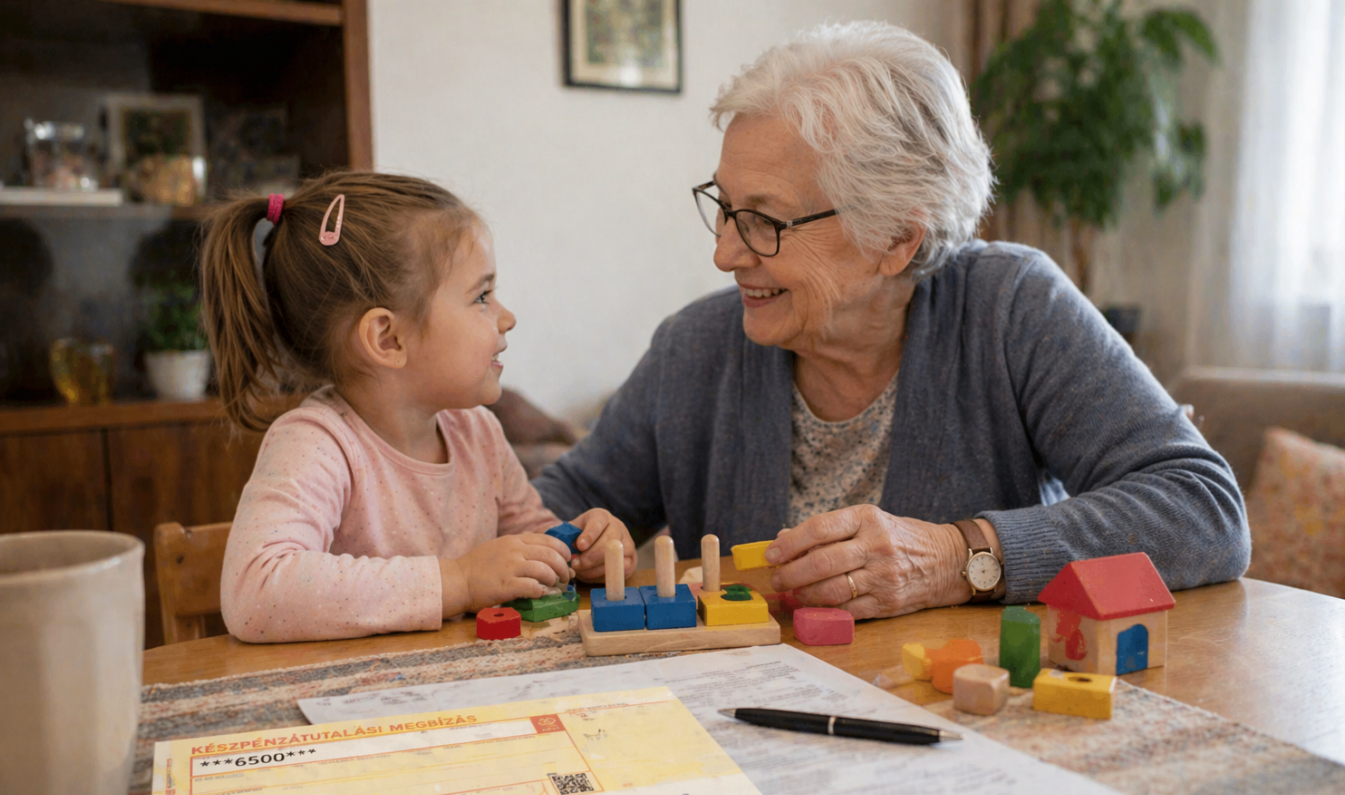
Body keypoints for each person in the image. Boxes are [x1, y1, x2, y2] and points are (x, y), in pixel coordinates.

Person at [534, 22, 1250, 617]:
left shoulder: (1010, 307)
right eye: (724, 206)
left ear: (896, 239)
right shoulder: (696, 348)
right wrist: (580, 540)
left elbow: (1204, 510)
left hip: (967, 728)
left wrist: (956, 557)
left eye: (763, 222)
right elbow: (543, 512)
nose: (724, 253)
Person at [201, 173, 634, 642]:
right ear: (388, 339)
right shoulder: (315, 444)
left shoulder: (478, 433)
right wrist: (461, 581)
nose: (507, 317)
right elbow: (256, 591)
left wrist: (579, 551)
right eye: (482, 297)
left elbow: (529, 544)